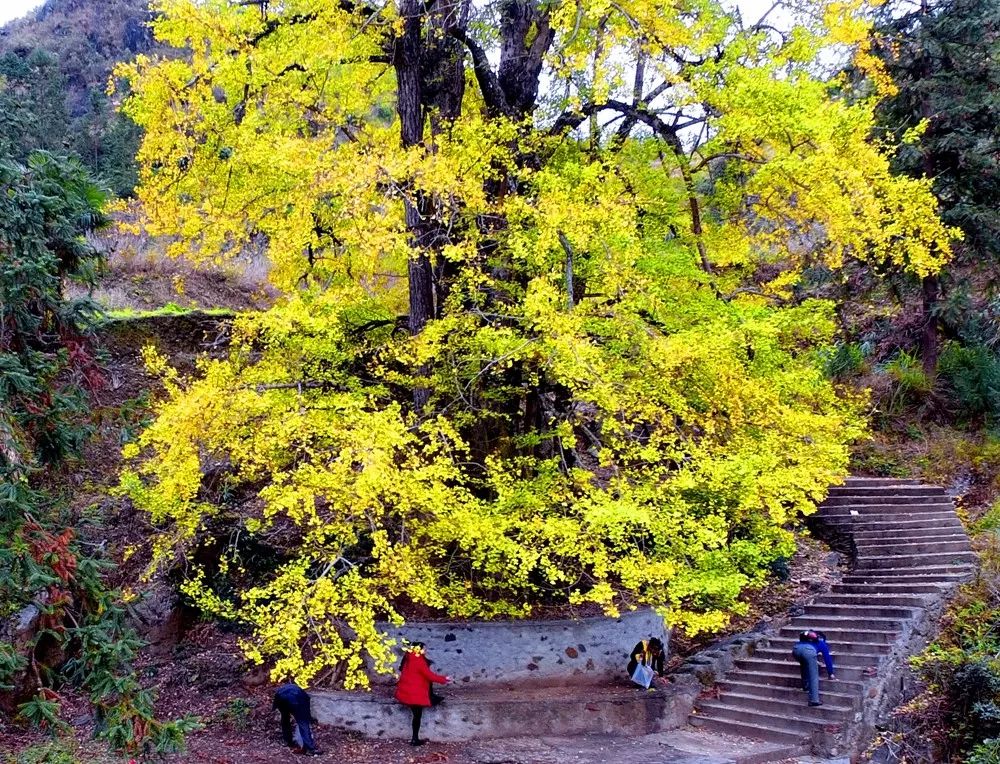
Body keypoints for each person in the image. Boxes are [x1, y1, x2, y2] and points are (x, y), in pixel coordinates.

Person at [395, 642, 451, 746]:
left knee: (416, 715)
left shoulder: (407, 658)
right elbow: (430, 676)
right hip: (414, 694)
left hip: (407, 691)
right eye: (423, 649)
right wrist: (444, 679)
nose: (425, 650)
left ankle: (415, 738)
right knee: (417, 717)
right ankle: (415, 739)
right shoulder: (419, 661)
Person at [272, 681, 321, 755]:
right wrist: (307, 718)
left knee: (285, 720)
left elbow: (276, 701)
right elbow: (306, 713)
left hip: (282, 700)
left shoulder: (281, 690)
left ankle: (288, 741)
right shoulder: (304, 696)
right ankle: (310, 749)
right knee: (303, 722)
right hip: (297, 701)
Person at [792, 631, 825, 707]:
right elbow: (827, 659)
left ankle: (805, 686)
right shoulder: (822, 644)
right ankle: (814, 700)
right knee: (813, 675)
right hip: (808, 651)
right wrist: (831, 673)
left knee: (803, 665)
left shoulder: (804, 636)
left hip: (796, 649)